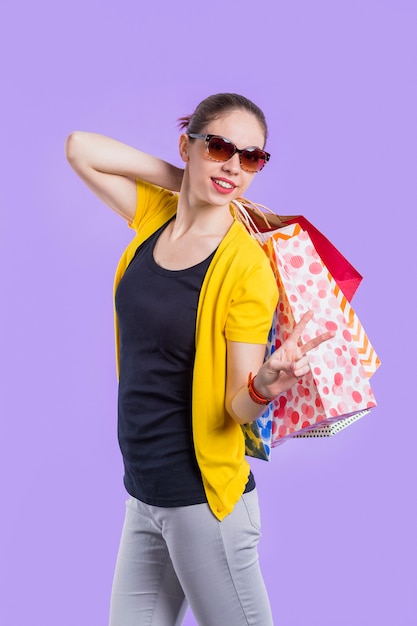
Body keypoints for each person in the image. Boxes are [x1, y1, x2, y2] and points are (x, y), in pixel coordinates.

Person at [65, 93, 333, 626]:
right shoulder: (155, 217)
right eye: (218, 147)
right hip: (143, 496)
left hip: (203, 504)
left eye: (250, 158)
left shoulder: (245, 267)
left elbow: (236, 408)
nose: (233, 166)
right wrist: (188, 179)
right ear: (186, 145)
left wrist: (267, 383)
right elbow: (81, 149)